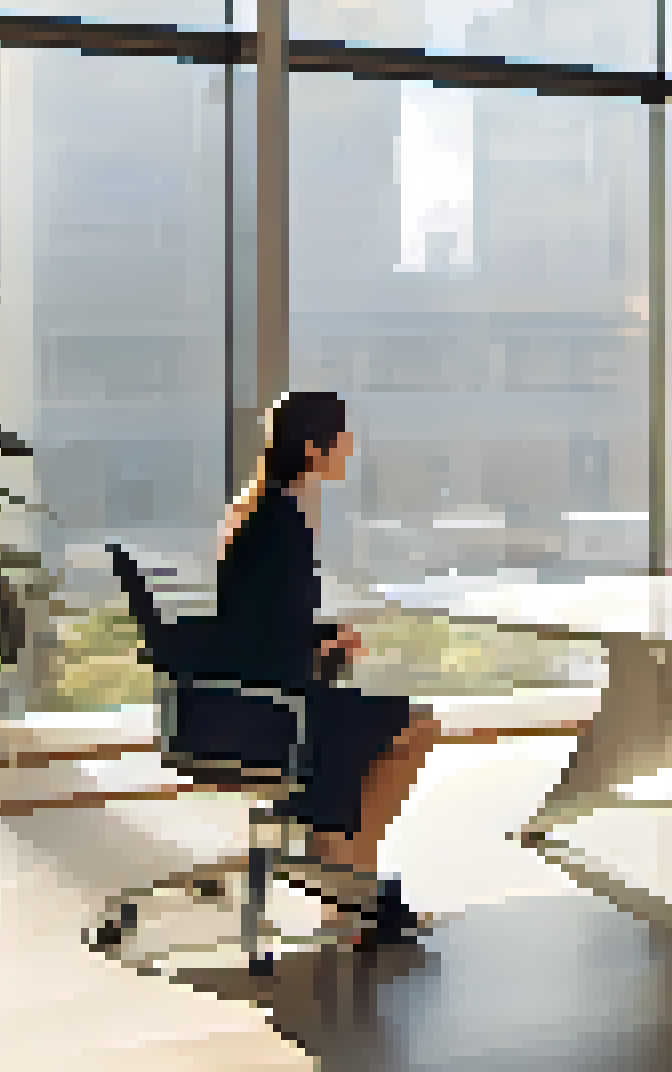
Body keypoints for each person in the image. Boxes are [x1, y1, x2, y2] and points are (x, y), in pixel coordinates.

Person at [214, 390, 445, 945]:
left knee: (374, 732)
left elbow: (255, 621)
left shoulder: (260, 509)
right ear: (316, 448)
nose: (350, 448)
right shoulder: (282, 521)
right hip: (275, 706)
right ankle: (353, 894)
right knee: (414, 727)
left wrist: (322, 639)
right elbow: (268, 632)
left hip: (249, 698)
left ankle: (350, 895)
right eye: (342, 438)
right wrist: (324, 648)